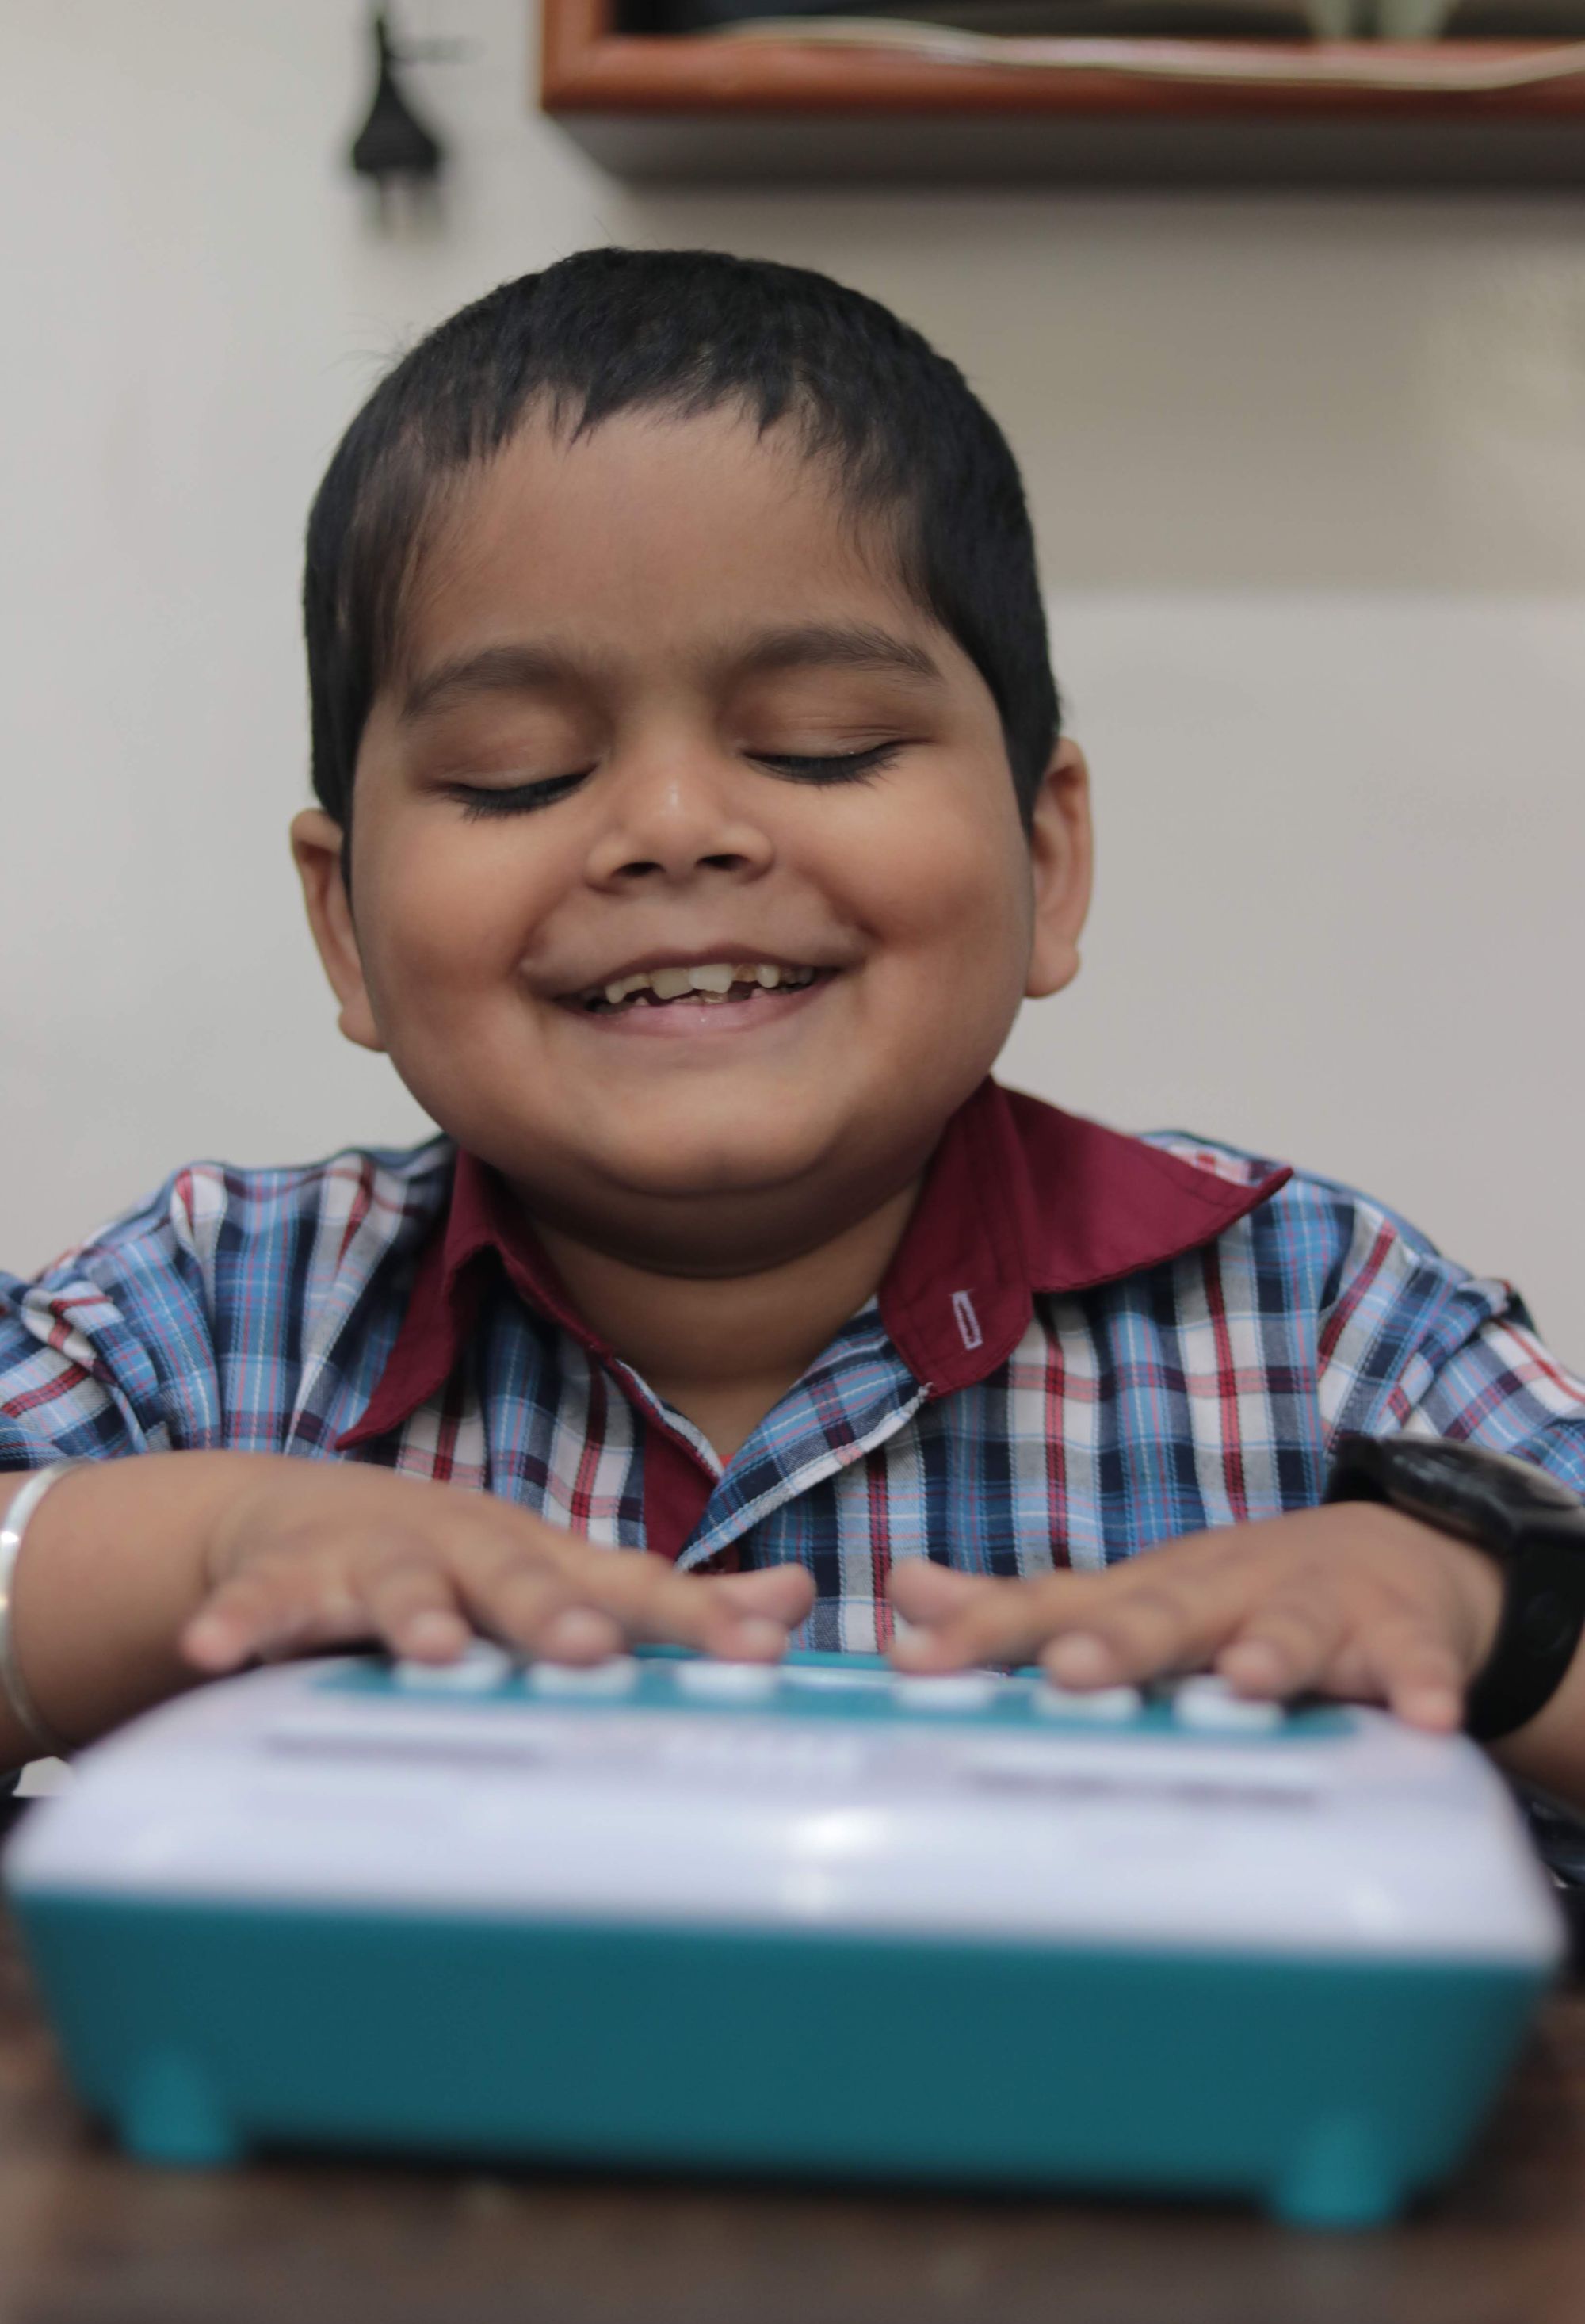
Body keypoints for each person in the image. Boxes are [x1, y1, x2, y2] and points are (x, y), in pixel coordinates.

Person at [3, 247, 1584, 1812]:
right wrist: (190, 1554)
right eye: (516, 770)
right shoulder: (209, 1321)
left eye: (823, 748)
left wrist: (1482, 1620)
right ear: (345, 925)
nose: (675, 828)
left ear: (1045, 859)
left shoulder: (1314, 1320)